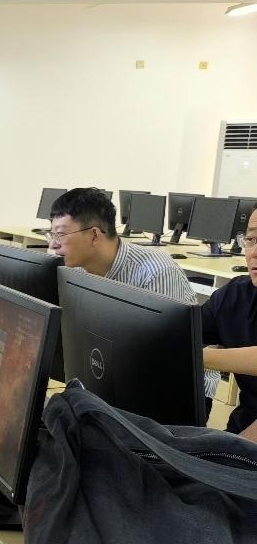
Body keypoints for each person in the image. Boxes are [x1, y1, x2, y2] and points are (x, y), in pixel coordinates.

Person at [48, 187, 221, 407]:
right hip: (118, 376)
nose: (53, 244)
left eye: (61, 235)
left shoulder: (156, 272)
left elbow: (169, 355)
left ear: (94, 235)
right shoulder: (76, 271)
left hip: (176, 388)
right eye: (52, 234)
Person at [201, 207, 257, 438]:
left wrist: (198, 357)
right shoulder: (234, 296)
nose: (254, 252)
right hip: (241, 428)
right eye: (251, 239)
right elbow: (182, 333)